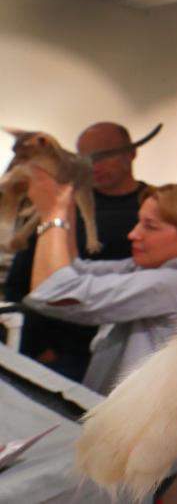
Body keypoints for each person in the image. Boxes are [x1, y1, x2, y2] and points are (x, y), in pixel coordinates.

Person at [21, 175, 177, 395]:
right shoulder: (149, 268)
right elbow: (72, 268)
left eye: (150, 226)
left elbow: (50, 291)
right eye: (139, 222)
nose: (133, 234)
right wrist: (66, 207)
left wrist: (52, 215)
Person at [4, 121, 151, 380]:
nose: (94, 165)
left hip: (119, 356)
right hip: (56, 353)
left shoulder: (151, 211)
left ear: (131, 153)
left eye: (104, 155)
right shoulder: (64, 204)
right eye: (85, 157)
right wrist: (40, 346)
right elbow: (21, 279)